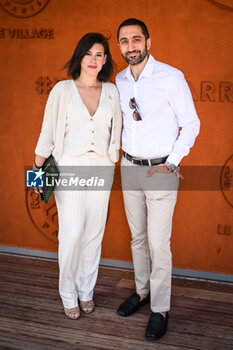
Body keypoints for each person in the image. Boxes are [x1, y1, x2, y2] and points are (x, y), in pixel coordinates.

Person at [115, 18, 200, 340]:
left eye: (136, 39)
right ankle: (142, 292)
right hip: (129, 167)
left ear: (148, 42)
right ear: (120, 46)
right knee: (137, 237)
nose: (131, 46)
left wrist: (173, 161)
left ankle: (161, 308)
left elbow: (191, 123)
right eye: (124, 41)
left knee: (157, 243)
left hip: (161, 170)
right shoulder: (120, 80)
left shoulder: (170, 77)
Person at [33, 33, 122, 320]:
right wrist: (37, 176)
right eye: (88, 54)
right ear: (79, 56)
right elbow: (47, 133)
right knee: (71, 234)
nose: (94, 60)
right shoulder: (62, 90)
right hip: (68, 167)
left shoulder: (112, 92)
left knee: (94, 234)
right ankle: (67, 293)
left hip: (102, 169)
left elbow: (116, 131)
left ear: (106, 59)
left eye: (99, 54)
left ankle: (87, 291)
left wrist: (112, 158)